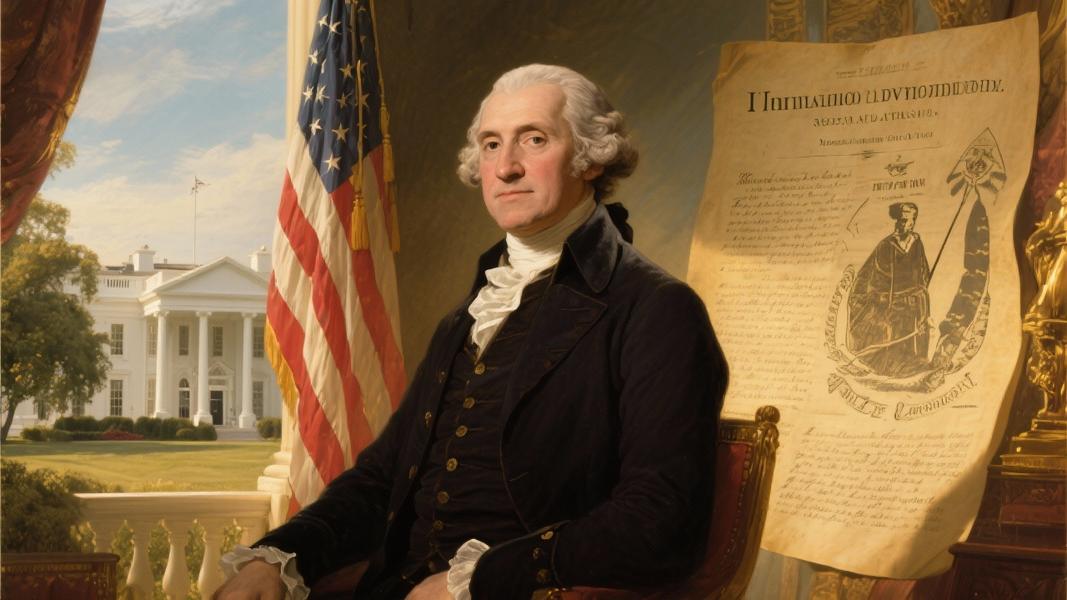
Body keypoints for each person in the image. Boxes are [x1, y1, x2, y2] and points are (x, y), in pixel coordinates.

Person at [214, 64, 727, 600]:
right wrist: (279, 557)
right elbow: (383, 479)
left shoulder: (657, 309)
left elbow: (661, 522)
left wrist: (482, 580)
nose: (506, 167)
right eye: (491, 145)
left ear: (591, 157)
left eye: (534, 139)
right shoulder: (468, 316)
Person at [847, 201, 931, 377]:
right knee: (894, 338)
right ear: (897, 220)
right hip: (893, 302)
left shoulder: (916, 242)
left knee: (911, 335)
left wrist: (922, 285)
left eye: (911, 220)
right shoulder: (886, 245)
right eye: (903, 220)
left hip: (913, 301)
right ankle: (894, 368)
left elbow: (923, 268)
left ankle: (912, 366)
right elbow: (870, 275)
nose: (907, 224)